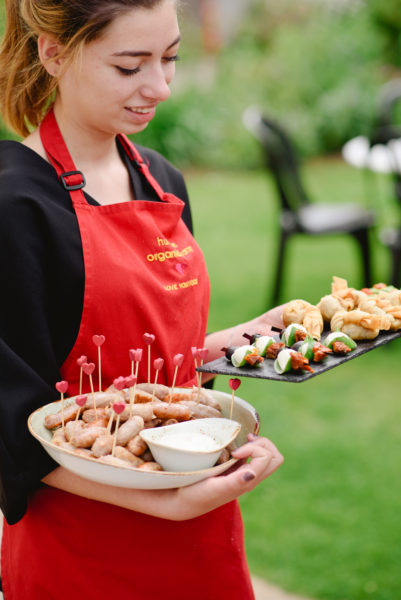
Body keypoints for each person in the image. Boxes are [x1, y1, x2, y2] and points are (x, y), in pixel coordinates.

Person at [0, 1, 284, 598]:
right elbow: (10, 415)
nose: (159, 87)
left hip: (202, 535)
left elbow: (148, 366)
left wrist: (241, 342)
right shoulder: (13, 205)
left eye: (171, 58)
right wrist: (162, 502)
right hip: (83, 548)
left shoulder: (161, 178)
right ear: (54, 53)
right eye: (130, 66)